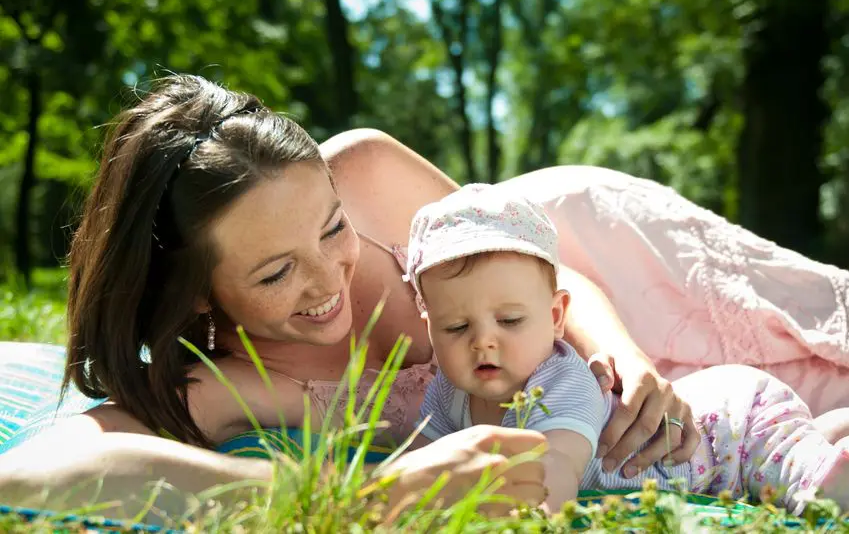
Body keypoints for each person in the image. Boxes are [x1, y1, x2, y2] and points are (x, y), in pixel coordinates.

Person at [0, 73, 845, 519]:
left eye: (330, 230)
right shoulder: (230, 379)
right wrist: (370, 499)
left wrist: (616, 353)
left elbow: (538, 270)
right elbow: (34, 472)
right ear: (193, 296)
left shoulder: (365, 170)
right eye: (273, 274)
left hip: (596, 264)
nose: (330, 279)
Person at [406, 184, 849, 514]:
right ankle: (826, 431)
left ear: (557, 316)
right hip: (722, 420)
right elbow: (418, 460)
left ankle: (822, 459)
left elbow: (555, 469)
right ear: (431, 329)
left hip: (730, 430)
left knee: (814, 490)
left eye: (511, 321)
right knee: (799, 447)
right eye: (456, 326)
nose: (483, 340)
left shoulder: (560, 380)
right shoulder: (448, 391)